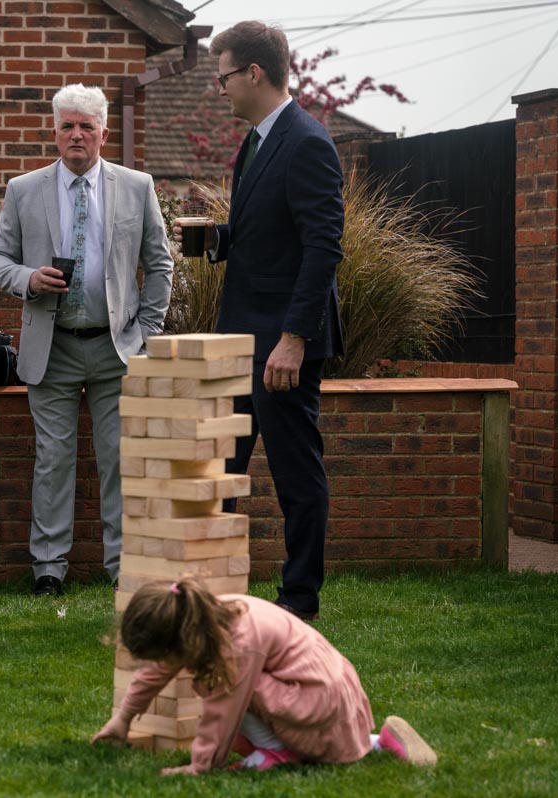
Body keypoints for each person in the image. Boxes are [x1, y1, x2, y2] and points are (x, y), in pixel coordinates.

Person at [178, 21, 346, 622]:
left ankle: (300, 598)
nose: (218, 88)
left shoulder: (306, 141)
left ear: (253, 73)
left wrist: (293, 340)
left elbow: (323, 246)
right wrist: (219, 239)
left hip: (281, 343)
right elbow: (270, 234)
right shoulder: (253, 143)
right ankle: (206, 593)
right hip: (240, 335)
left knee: (295, 473)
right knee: (221, 466)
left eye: (223, 76)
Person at [0, 84, 173, 597]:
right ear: (54, 132)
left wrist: (148, 331)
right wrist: (27, 280)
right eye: (67, 126)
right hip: (53, 345)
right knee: (53, 460)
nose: (76, 135)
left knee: (118, 459)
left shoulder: (137, 186)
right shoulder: (23, 189)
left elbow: (160, 263)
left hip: (117, 347)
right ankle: (49, 568)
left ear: (103, 134)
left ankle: (122, 568)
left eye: (86, 126)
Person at [90, 579, 438, 774]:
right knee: (225, 677)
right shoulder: (200, 616)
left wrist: (201, 766)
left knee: (219, 680)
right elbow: (158, 669)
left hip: (317, 696)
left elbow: (221, 715)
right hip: (320, 691)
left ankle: (276, 753)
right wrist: (123, 719)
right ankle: (381, 742)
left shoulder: (236, 646)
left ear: (178, 637)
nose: (164, 663)